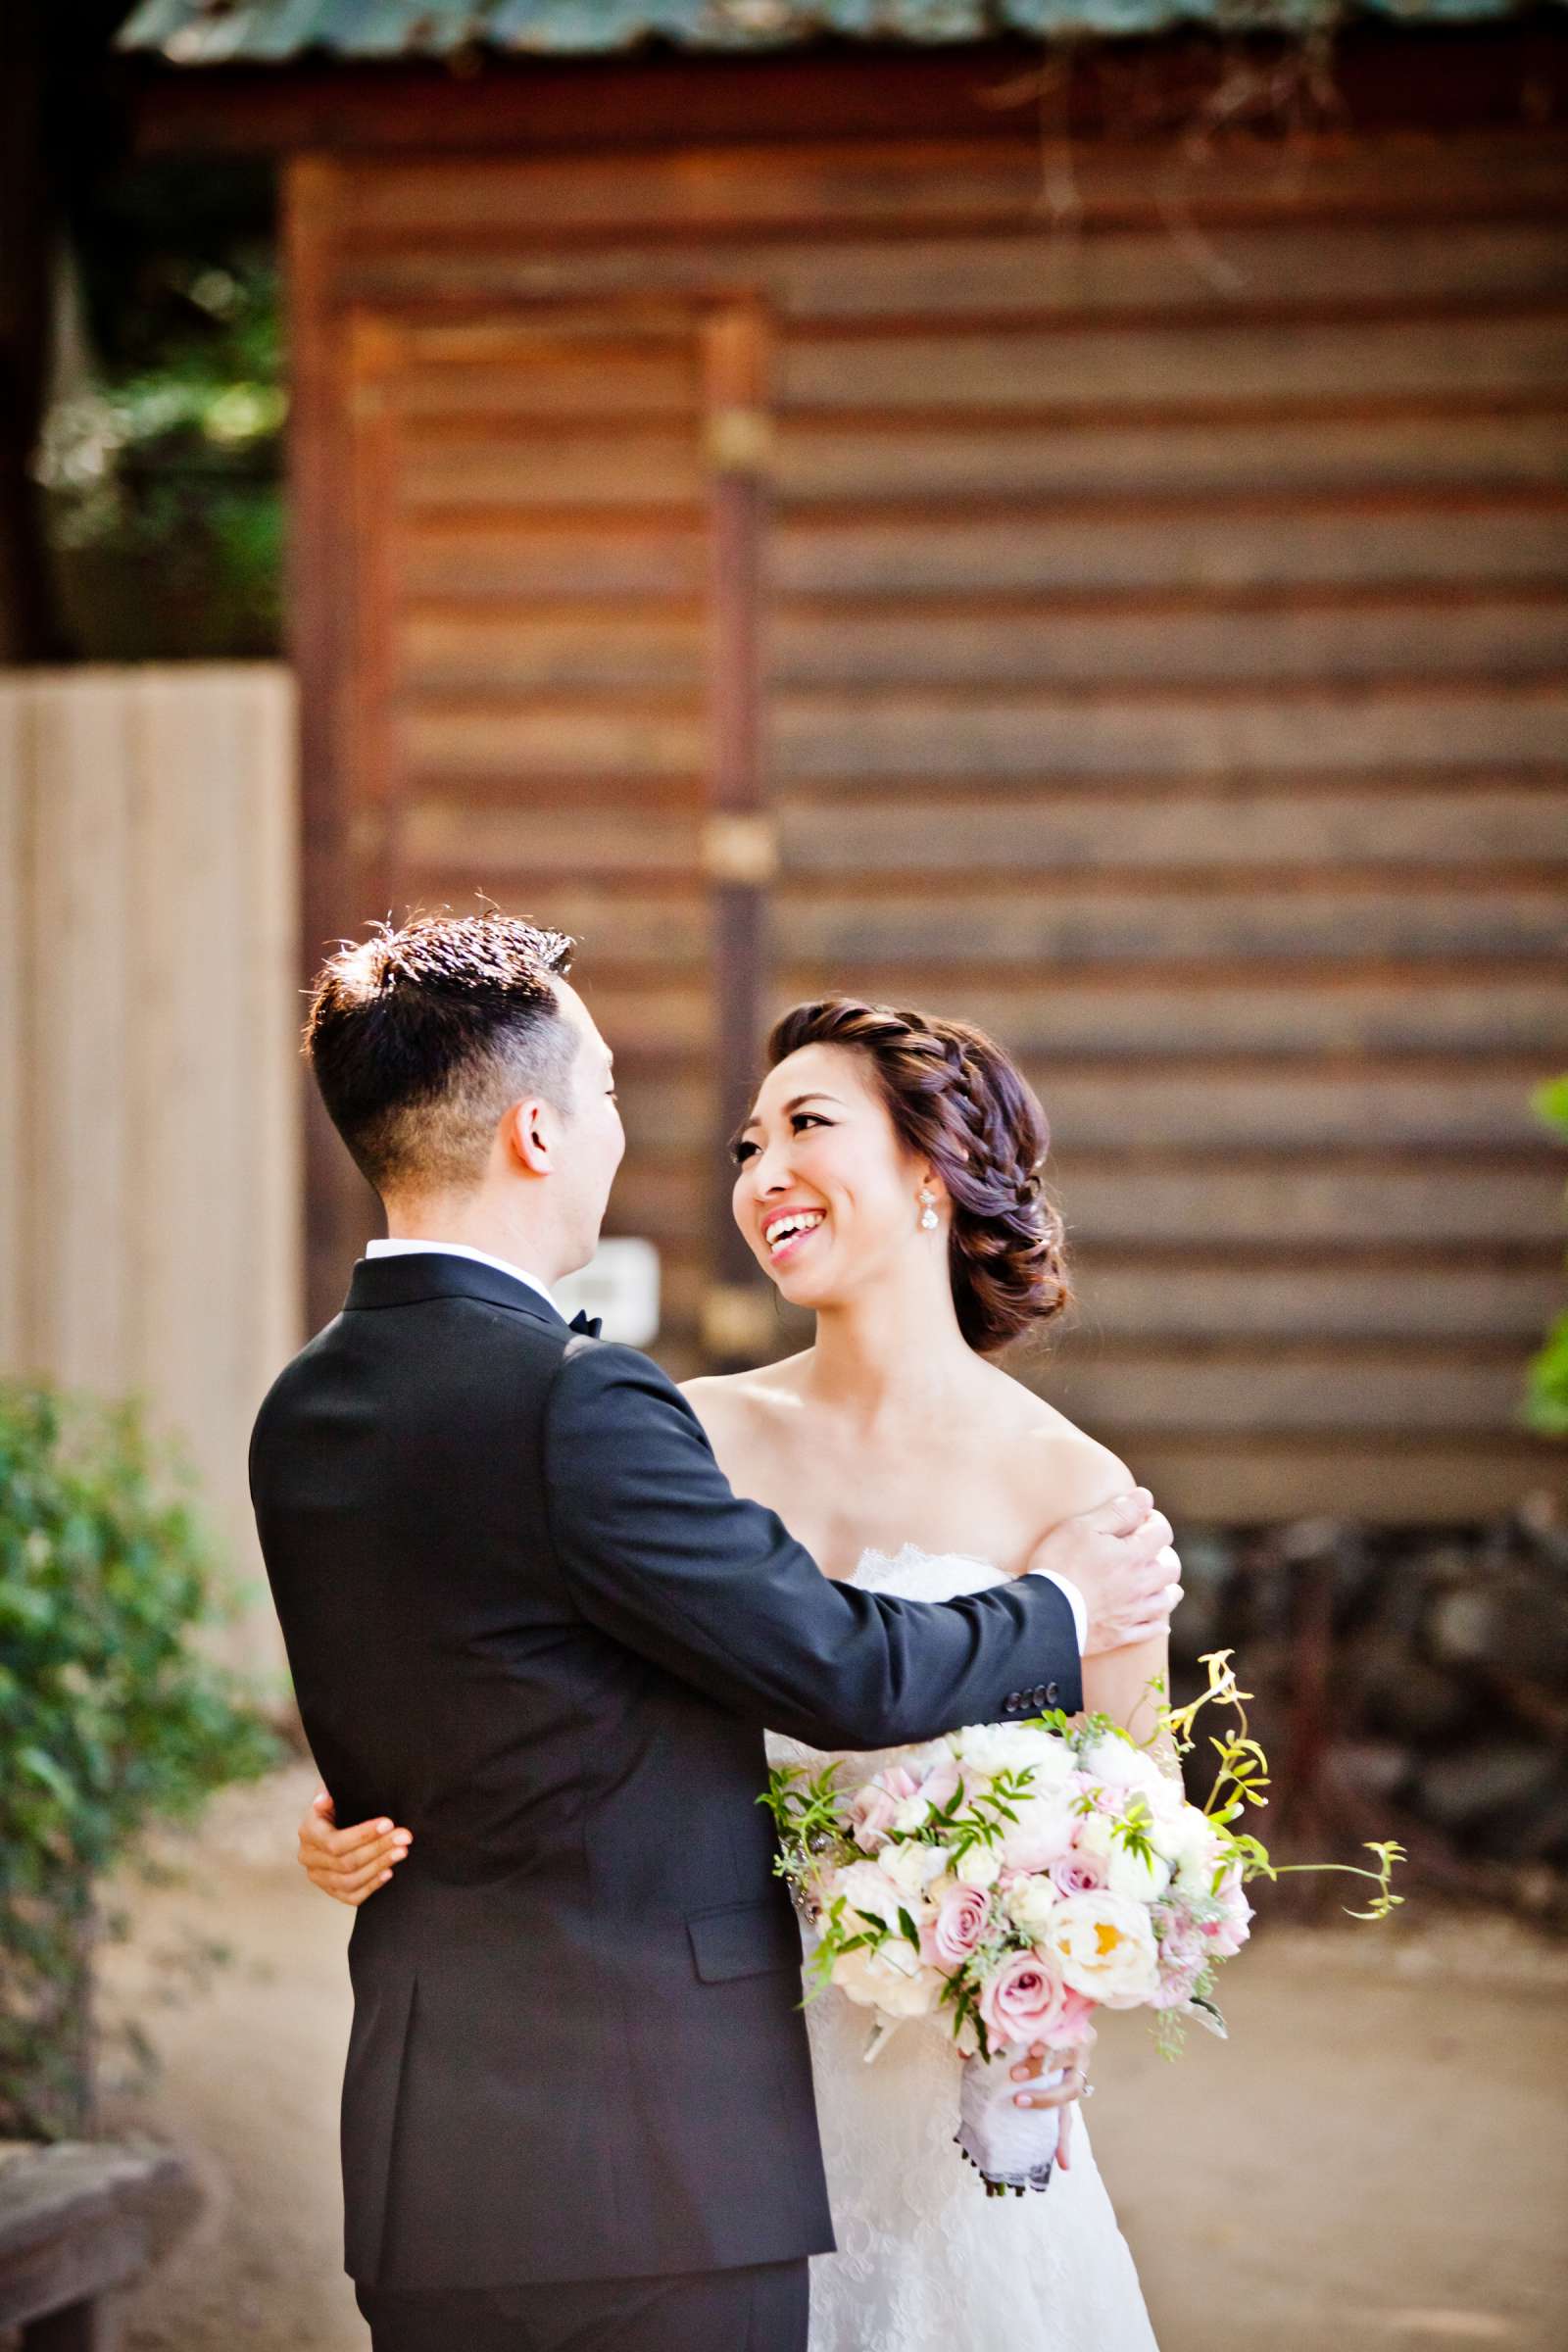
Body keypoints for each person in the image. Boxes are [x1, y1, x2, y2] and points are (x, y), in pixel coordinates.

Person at [260, 910, 1180, 2352]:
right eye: (743, 1140)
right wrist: (366, 1800)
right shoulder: (654, 1424)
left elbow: (1145, 1818)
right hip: (682, 2131)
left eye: (804, 1126)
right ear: (537, 1133)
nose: (753, 1171)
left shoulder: (1078, 1492)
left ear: (932, 1173)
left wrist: (1043, 1958)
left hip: (870, 2103)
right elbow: (821, 1670)